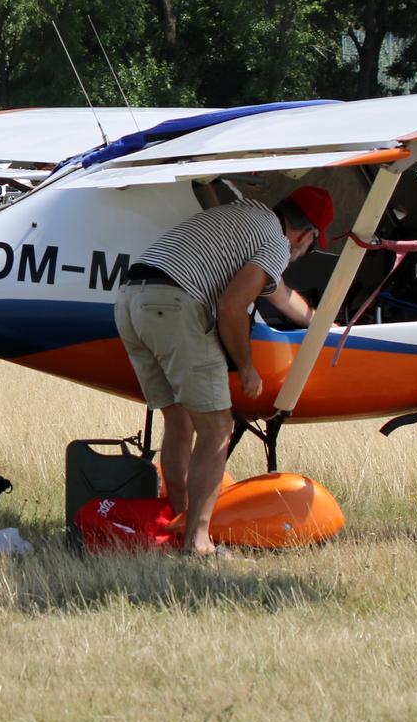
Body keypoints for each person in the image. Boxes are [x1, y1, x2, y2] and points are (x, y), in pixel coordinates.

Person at [114, 184, 333, 557]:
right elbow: (232, 307)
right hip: (176, 302)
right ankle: (197, 541)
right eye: (312, 243)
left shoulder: (249, 215)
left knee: (180, 423)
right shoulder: (276, 244)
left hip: (132, 299)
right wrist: (247, 367)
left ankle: (179, 522)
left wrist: (320, 322)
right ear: (307, 235)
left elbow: (279, 293)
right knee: (217, 429)